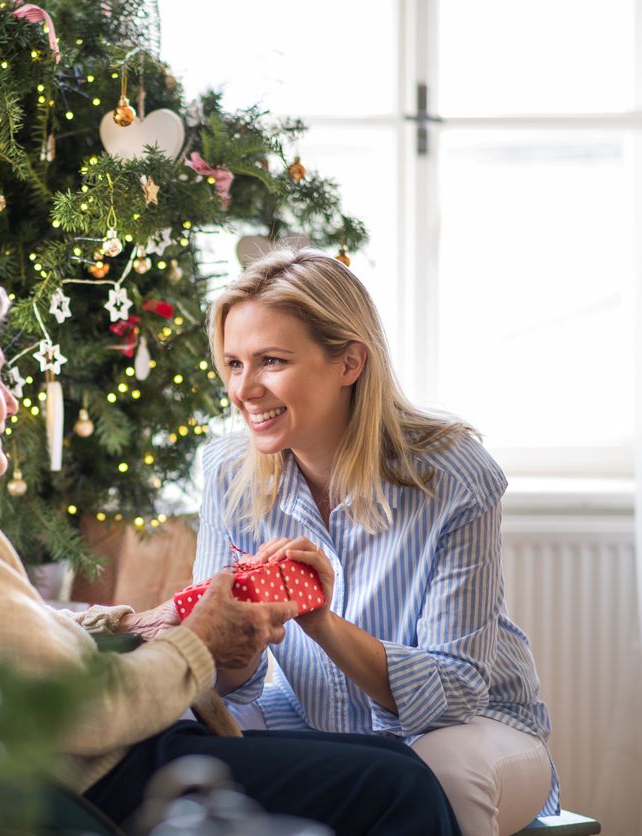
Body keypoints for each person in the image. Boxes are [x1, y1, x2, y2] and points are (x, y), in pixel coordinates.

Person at [0, 265, 460, 835]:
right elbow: (86, 712)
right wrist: (198, 640)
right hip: (92, 789)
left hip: (96, 770)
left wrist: (139, 623)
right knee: (400, 788)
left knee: (397, 766)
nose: (9, 403)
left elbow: (6, 636)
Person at [195, 247, 558, 836]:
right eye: (234, 364)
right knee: (205, 758)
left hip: (472, 730)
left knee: (438, 774)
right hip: (309, 722)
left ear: (349, 364)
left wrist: (322, 623)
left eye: (271, 361)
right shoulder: (226, 473)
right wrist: (232, 641)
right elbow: (224, 682)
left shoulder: (453, 476)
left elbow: (457, 691)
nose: (245, 389)